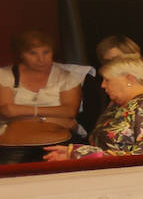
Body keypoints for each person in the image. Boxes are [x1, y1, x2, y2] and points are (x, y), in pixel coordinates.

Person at [42, 57, 143, 162]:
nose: (103, 85)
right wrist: (75, 152)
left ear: (129, 79)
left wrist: (79, 153)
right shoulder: (118, 106)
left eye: (107, 80)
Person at [0, 29, 84, 163]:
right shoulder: (5, 75)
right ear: (21, 54)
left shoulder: (67, 77)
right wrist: (51, 118)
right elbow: (7, 111)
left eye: (46, 52)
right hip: (13, 141)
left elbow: (69, 111)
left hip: (58, 138)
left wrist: (22, 113)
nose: (41, 59)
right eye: (33, 53)